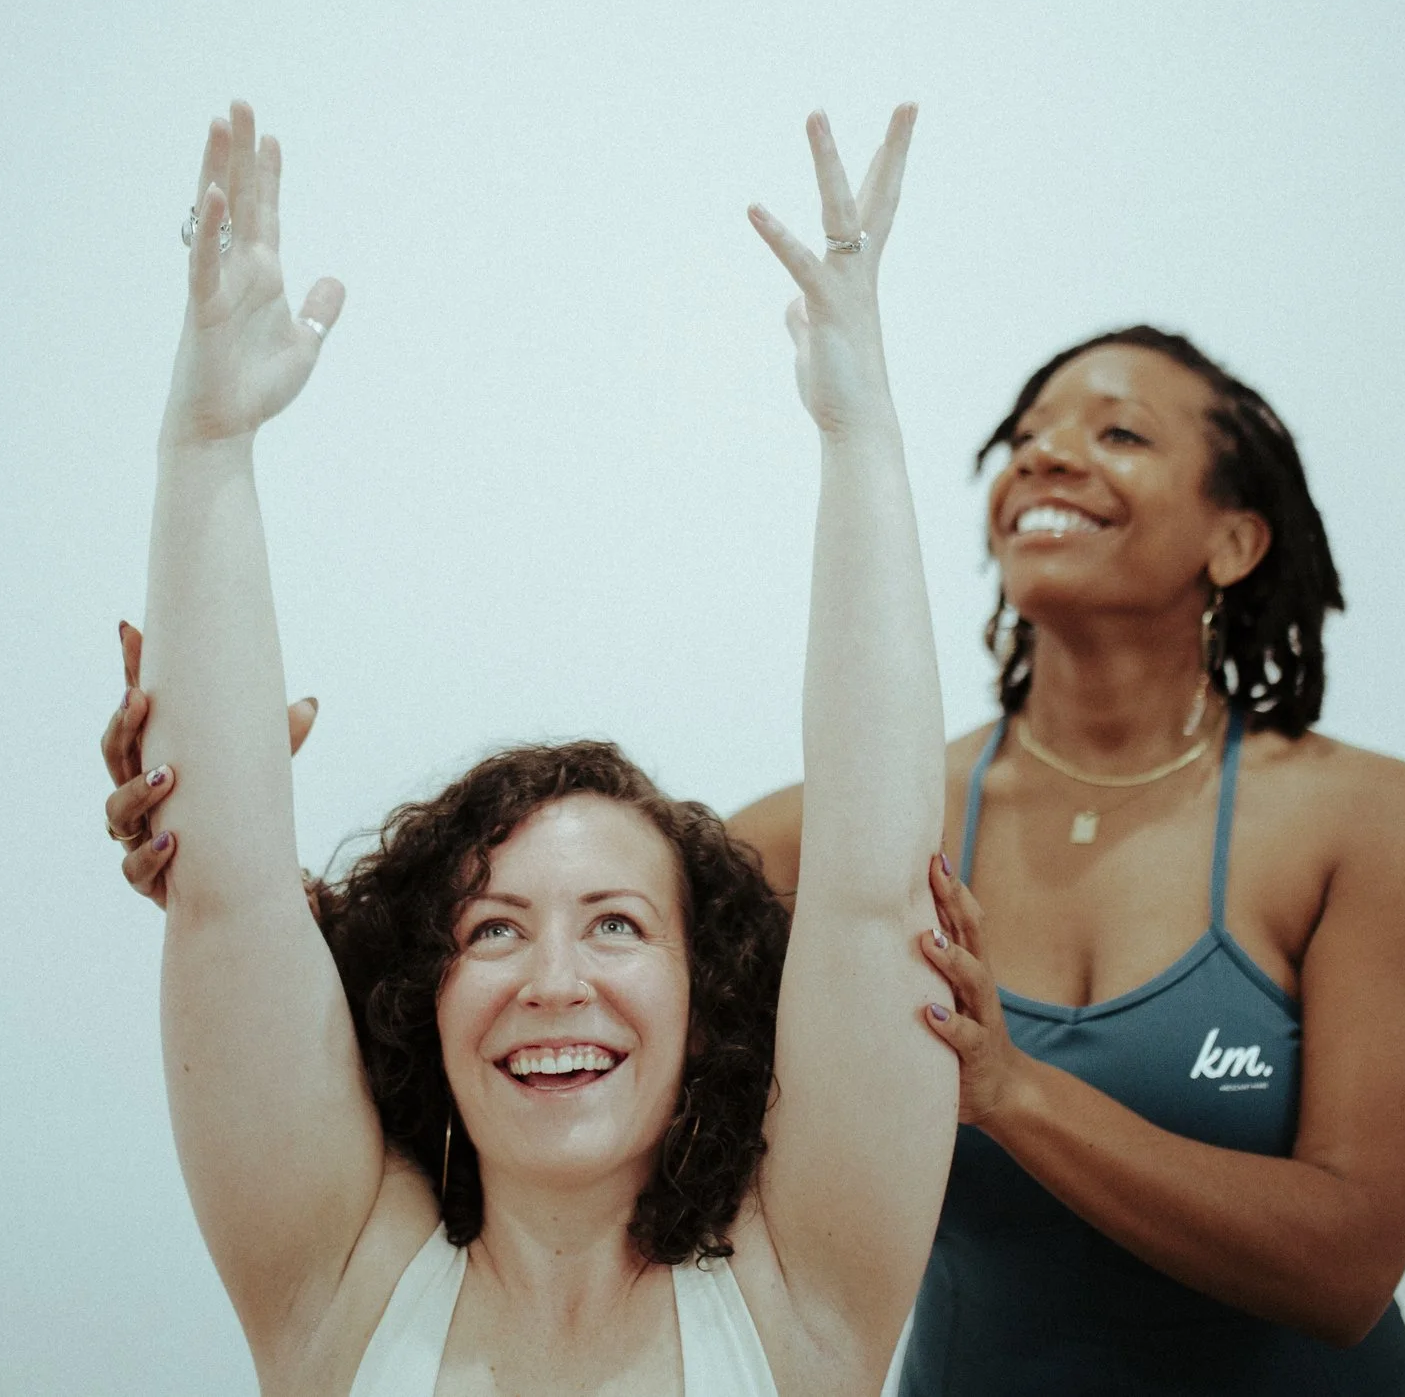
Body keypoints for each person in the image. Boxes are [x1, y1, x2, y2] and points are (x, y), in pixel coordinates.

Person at [110, 266, 1405, 1393]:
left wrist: (1010, 1089)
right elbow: (570, 907)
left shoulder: (1369, 821)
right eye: (1027, 432)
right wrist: (224, 852)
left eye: (1118, 431)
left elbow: (1346, 1265)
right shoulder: (839, 836)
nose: (1049, 453)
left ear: (1235, 541)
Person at [122, 99, 957, 1397]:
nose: (554, 979)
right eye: (493, 928)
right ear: (420, 999)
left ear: (708, 997)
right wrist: (208, 440)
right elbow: (227, 891)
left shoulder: (803, 1298)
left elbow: (871, 887)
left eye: (617, 923)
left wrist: (861, 437)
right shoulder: (340, 1281)